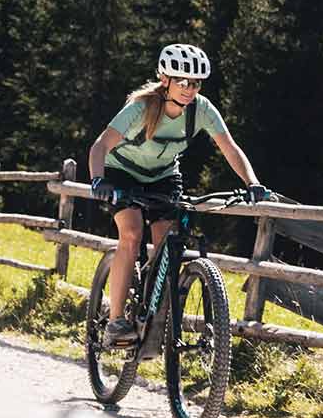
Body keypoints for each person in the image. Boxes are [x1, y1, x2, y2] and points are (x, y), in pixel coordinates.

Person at [85, 43, 270, 346]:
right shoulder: (141, 108)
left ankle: (155, 316)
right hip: (122, 174)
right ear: (165, 79)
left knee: (167, 247)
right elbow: (100, 146)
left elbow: (229, 147)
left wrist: (252, 182)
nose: (188, 89)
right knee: (131, 234)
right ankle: (116, 321)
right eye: (181, 81)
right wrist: (98, 181)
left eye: (194, 83)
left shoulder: (202, 110)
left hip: (163, 177)